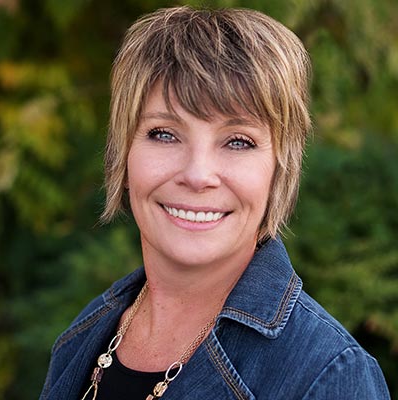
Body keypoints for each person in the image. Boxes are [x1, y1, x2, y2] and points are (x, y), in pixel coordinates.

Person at [40, 6, 390, 400]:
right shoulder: (83, 340)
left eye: (238, 141)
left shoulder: (327, 375)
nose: (197, 174)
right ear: (124, 151)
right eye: (164, 134)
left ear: (280, 167)